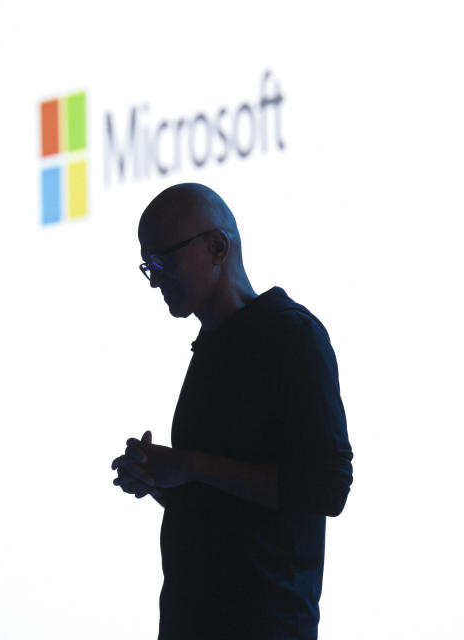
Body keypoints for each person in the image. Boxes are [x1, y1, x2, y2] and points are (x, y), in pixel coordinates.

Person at [111, 183, 353, 640]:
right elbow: (227, 511)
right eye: (149, 267)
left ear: (217, 246)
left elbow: (327, 487)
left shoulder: (292, 336)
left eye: (163, 262)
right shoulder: (210, 349)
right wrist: (163, 480)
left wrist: (189, 465)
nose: (156, 280)